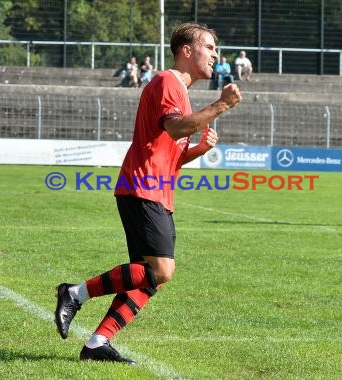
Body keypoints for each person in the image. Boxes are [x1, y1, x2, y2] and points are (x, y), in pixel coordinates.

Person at [54, 22, 242, 365]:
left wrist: (198, 150)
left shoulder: (179, 92)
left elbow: (170, 156)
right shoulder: (168, 82)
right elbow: (174, 127)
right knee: (161, 270)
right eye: (210, 47)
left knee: (147, 277)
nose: (216, 54)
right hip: (143, 188)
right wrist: (220, 106)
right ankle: (74, 293)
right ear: (187, 50)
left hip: (156, 190)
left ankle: (97, 343)